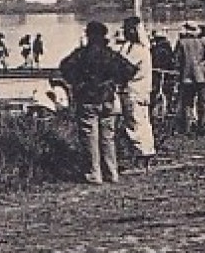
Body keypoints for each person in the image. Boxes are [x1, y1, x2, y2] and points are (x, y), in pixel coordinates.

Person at [59, 20, 138, 184]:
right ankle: (112, 172)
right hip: (107, 98)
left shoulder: (81, 54)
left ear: (88, 35)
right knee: (108, 137)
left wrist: (78, 84)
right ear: (104, 36)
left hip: (87, 99)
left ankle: (94, 173)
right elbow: (130, 70)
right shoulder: (110, 54)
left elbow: (64, 67)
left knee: (90, 137)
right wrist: (115, 82)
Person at [116, 16, 155, 167]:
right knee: (142, 122)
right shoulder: (140, 48)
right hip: (139, 90)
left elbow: (124, 68)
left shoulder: (137, 50)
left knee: (135, 123)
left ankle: (142, 155)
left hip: (134, 91)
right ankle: (145, 153)